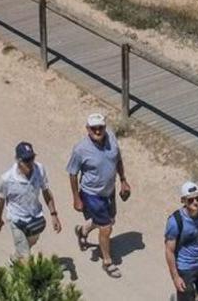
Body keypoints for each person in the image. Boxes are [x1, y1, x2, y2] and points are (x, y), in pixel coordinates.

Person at [66, 113, 130, 278]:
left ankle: (83, 230)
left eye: (100, 127)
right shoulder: (80, 149)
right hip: (91, 194)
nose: (97, 131)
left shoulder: (112, 139)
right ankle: (107, 261)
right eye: (93, 128)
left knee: (110, 219)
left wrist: (123, 180)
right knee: (106, 227)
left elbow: (118, 159)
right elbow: (73, 174)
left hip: (109, 190)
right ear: (87, 129)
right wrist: (76, 198)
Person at [0, 141, 61, 261]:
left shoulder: (39, 169)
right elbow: (0, 200)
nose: (30, 163)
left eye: (32, 158)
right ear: (18, 160)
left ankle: (14, 259)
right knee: (26, 258)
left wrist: (54, 214)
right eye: (26, 160)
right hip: (17, 220)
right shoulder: (7, 179)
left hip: (35, 218)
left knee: (27, 247)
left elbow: (46, 191)